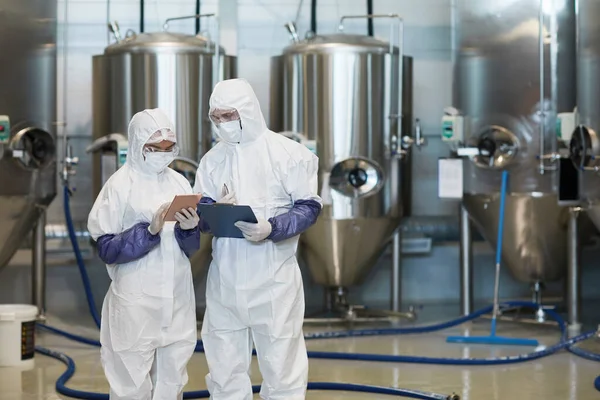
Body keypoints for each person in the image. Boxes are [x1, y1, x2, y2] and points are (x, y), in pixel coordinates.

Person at [194, 78, 323, 399]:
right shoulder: (213, 160)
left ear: (247, 112)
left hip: (273, 283)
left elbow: (309, 206)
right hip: (226, 280)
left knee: (282, 368)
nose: (221, 124)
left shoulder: (288, 154)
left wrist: (273, 227)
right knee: (224, 369)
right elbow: (202, 209)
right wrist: (211, 210)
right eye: (215, 118)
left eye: (228, 116)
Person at [87, 108, 200, 400]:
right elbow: (107, 248)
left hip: (176, 299)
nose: (163, 153)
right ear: (138, 144)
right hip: (136, 303)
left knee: (172, 380)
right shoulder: (120, 185)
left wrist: (189, 229)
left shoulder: (179, 182)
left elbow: (189, 249)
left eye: (169, 148)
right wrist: (148, 232)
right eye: (154, 147)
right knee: (130, 384)